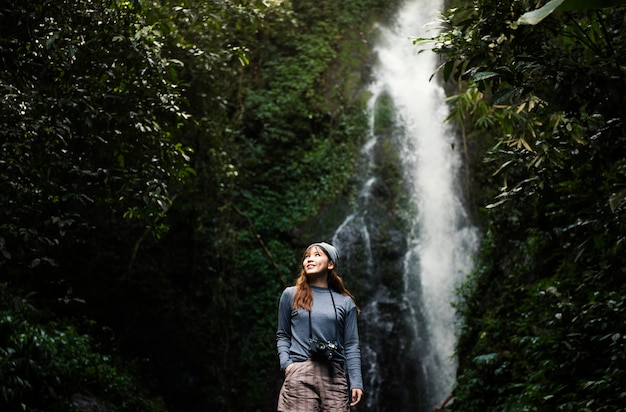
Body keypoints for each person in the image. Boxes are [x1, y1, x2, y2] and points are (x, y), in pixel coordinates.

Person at [276, 242, 364, 411]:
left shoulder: (345, 302)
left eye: (317, 255)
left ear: (330, 264)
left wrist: (356, 382)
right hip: (300, 372)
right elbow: (283, 334)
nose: (309, 259)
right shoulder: (290, 295)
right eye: (307, 256)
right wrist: (287, 364)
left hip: (334, 376)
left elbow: (352, 345)